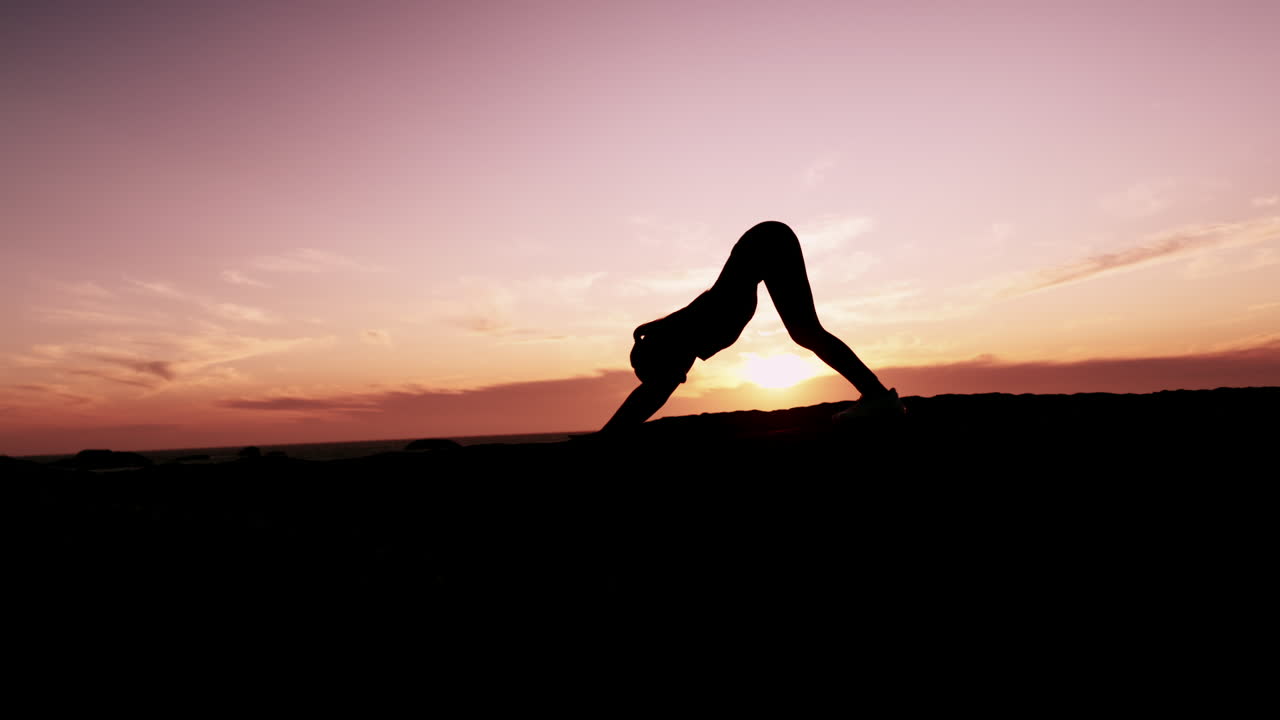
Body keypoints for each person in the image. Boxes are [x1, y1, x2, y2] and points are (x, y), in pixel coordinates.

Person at [602, 220, 905, 432]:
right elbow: (657, 384)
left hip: (769, 241)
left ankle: (878, 398)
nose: (678, 379)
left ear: (666, 359)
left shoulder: (694, 331)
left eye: (666, 374)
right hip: (768, 241)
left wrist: (607, 435)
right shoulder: (689, 330)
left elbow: (654, 392)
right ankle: (877, 396)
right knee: (806, 332)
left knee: (806, 332)